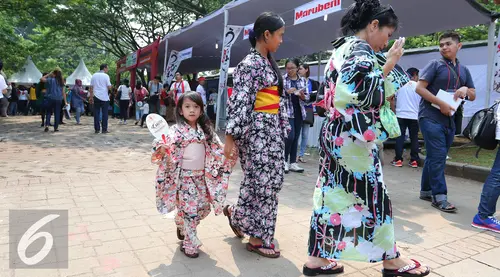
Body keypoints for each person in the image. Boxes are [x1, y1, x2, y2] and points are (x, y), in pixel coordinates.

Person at [304, 1, 431, 276]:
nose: (387, 41)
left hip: (336, 131)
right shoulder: (359, 49)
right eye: (387, 33)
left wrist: (384, 66)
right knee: (373, 196)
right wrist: (390, 64)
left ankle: (316, 259)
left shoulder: (341, 47)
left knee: (331, 194)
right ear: (373, 25)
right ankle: (391, 260)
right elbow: (358, 93)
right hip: (352, 138)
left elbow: (342, 92)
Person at [223, 12, 289, 259]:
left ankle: (238, 215)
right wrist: (231, 137)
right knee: (263, 183)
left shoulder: (267, 62)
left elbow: (275, 102)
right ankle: (258, 237)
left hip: (270, 131)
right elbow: (240, 102)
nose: (281, 40)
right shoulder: (249, 65)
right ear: (266, 35)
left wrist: (282, 129)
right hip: (257, 133)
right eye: (280, 35)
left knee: (262, 182)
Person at [151, 91, 236, 258]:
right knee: (190, 211)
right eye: (187, 106)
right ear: (180, 110)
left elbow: (217, 149)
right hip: (184, 179)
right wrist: (162, 148)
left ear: (201, 110)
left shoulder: (206, 130)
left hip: (203, 178)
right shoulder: (175, 130)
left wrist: (228, 152)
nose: (192, 110)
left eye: (196, 107)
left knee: (203, 209)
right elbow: (163, 144)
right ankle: (190, 244)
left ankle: (180, 222)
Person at [416, 31, 476, 213]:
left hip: (450, 120)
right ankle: (439, 197)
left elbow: (473, 95)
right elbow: (419, 88)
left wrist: (465, 88)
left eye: (448, 44)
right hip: (430, 116)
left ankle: (426, 191)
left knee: (435, 156)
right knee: (439, 156)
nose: (443, 47)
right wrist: (441, 103)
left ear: (459, 46)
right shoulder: (434, 65)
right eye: (441, 45)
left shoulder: (464, 70)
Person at [391, 68, 422, 168]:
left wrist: (394, 111)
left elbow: (391, 98)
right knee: (414, 138)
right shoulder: (419, 86)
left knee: (400, 137)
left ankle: (398, 160)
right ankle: (414, 160)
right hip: (414, 116)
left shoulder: (400, 85)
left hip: (400, 115)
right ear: (415, 75)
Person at [283, 59, 308, 173]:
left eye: (292, 68)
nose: (290, 70)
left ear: (297, 68)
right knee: (290, 136)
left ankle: (293, 162)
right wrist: (286, 92)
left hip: (299, 112)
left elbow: (307, 98)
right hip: (287, 112)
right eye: (288, 68)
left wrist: (302, 96)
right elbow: (277, 96)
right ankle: (284, 161)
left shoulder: (303, 80)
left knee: (296, 137)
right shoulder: (282, 79)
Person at [297, 64, 319, 163]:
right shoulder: (295, 81)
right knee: (294, 133)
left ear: (306, 70)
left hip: (308, 109)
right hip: (297, 109)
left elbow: (316, 96)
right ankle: (292, 154)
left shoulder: (313, 83)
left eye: (300, 69)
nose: (299, 70)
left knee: (305, 134)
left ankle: (301, 155)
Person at [41, 68, 67, 132]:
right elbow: (63, 93)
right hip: (58, 99)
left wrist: (48, 74)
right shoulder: (62, 82)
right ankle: (56, 127)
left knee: (49, 112)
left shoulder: (51, 80)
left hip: (50, 98)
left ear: (54, 74)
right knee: (57, 113)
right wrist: (65, 102)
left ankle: (47, 125)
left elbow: (41, 79)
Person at [89, 64, 113, 134]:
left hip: (96, 96)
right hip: (104, 97)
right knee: (105, 113)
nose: (107, 70)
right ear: (104, 68)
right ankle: (104, 129)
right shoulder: (106, 76)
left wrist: (91, 97)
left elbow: (91, 87)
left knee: (96, 113)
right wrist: (110, 87)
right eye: (107, 68)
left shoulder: (94, 75)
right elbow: (109, 87)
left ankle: (97, 129)